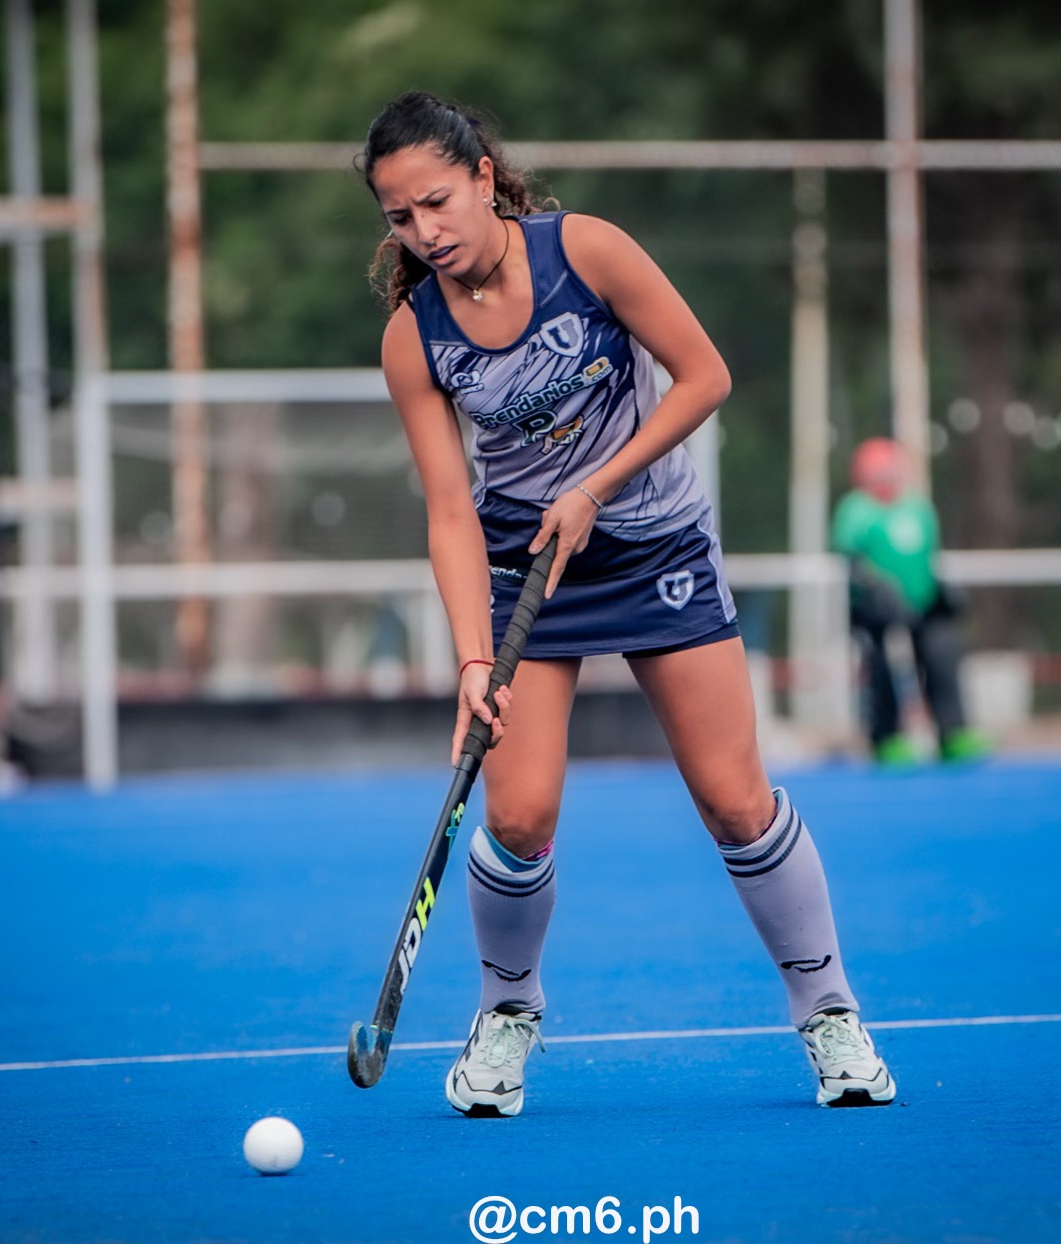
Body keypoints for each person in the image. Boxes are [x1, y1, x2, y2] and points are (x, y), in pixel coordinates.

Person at [359, 91, 895, 1116]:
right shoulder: (413, 338)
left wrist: (597, 484)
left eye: (436, 202)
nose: (424, 232)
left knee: (736, 799)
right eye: (399, 217)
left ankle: (830, 1013)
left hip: (656, 548)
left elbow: (705, 377)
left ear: (483, 179)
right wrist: (475, 661)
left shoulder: (587, 252)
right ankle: (508, 1013)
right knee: (517, 814)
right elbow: (448, 515)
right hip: (531, 572)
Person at [831, 437, 990, 765]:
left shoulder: (917, 508)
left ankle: (952, 731)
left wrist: (941, 590)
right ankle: (887, 735)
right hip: (876, 612)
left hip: (923, 606)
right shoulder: (855, 510)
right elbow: (850, 558)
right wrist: (874, 587)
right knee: (882, 666)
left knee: (943, 653)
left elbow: (929, 558)